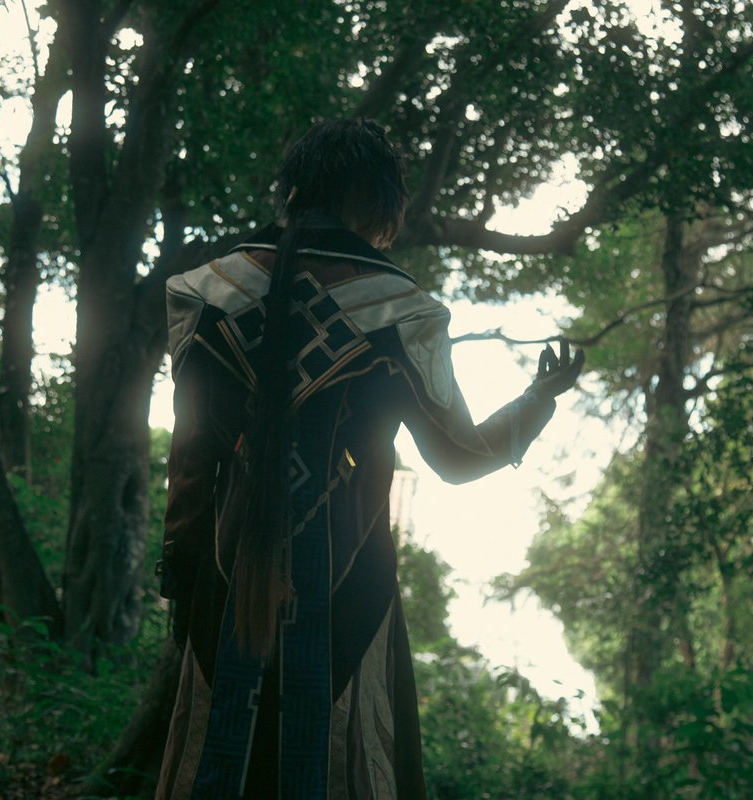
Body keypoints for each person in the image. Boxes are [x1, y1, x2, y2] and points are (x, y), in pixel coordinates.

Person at [154, 118, 584, 800]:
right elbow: (459, 457)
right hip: (351, 580)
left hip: (221, 574)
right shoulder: (401, 311)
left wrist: (179, 571)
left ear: (294, 189)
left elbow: (190, 459)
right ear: (376, 200)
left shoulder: (206, 291)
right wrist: (537, 399)